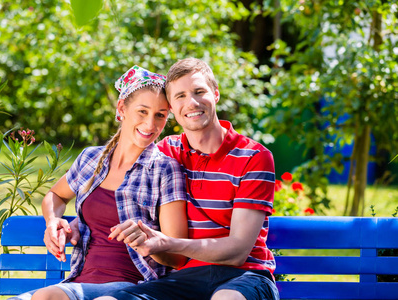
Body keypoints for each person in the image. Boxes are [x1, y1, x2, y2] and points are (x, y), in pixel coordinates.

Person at [98, 58, 280, 300]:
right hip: (183, 280)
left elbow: (237, 252)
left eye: (199, 91)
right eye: (180, 96)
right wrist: (63, 220)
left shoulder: (254, 156)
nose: (191, 102)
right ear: (172, 108)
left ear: (215, 94)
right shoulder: (165, 152)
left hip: (246, 277)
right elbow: (112, 182)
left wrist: (169, 243)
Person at [10, 65, 188, 300]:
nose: (150, 124)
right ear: (121, 108)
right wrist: (53, 220)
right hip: (78, 282)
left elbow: (176, 256)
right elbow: (56, 195)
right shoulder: (91, 159)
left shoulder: (164, 170)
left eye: (160, 115)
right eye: (142, 111)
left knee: (47, 297)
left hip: (132, 288)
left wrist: (148, 241)